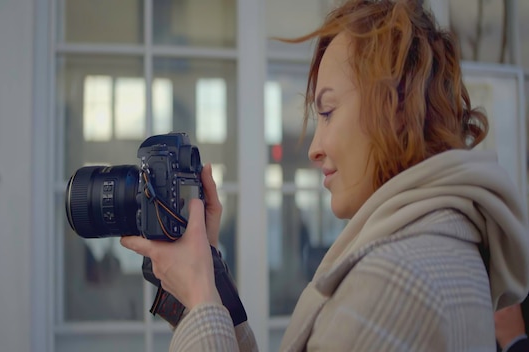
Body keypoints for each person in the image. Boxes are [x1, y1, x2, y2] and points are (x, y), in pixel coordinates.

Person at [121, 0, 529, 350]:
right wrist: (210, 285)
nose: (314, 148)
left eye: (328, 111)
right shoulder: (441, 240)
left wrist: (197, 298)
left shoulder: (394, 281)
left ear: (397, 108)